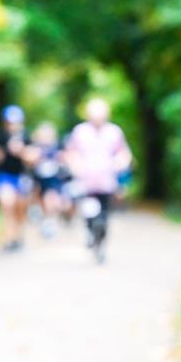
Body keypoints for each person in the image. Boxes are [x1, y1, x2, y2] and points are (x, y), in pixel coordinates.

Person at [64, 98, 132, 262]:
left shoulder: (114, 132)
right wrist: (75, 166)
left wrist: (122, 169)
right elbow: (70, 153)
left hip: (107, 182)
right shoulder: (80, 131)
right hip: (86, 182)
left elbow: (124, 154)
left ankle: (100, 245)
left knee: (104, 217)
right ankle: (89, 233)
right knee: (89, 212)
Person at [0, 105, 35, 252]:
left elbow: (33, 159)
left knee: (20, 209)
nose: (13, 125)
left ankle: (18, 237)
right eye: (10, 122)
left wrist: (21, 151)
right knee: (7, 205)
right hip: (5, 176)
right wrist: (4, 151)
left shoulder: (26, 136)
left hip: (21, 177)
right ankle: (8, 240)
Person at [30, 122, 65, 238]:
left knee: (53, 201)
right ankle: (45, 220)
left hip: (54, 180)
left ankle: (50, 221)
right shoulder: (35, 148)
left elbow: (65, 158)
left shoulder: (57, 147)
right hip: (39, 181)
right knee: (42, 202)